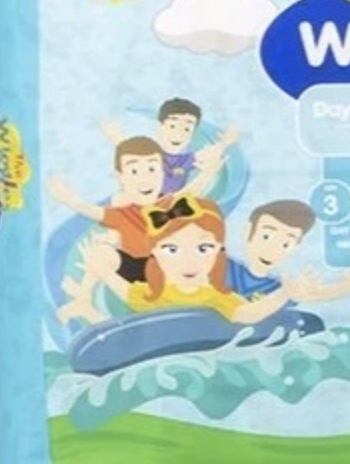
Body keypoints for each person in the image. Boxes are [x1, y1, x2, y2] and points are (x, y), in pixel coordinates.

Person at [48, 135, 224, 323]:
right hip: (134, 268)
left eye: (151, 169)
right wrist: (68, 199)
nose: (144, 179)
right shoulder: (122, 213)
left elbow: (192, 190)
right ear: (121, 177)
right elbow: (92, 211)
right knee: (99, 253)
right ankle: (83, 298)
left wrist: (209, 172)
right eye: (134, 171)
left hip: (164, 267)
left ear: (162, 173)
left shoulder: (169, 204)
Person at [76, 197, 292, 325]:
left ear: (218, 252)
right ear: (155, 254)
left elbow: (247, 314)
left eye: (203, 248)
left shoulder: (219, 298)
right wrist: (103, 270)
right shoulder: (151, 294)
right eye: (172, 249)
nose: (188, 260)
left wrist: (284, 293)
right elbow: (126, 293)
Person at [228, 199, 350, 303]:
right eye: (266, 236)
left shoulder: (274, 286)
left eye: (285, 244)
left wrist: (349, 286)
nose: (273, 250)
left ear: (295, 247)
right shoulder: (226, 267)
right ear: (248, 230)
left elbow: (310, 294)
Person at [102, 97, 239, 198]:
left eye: (187, 129)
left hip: (170, 206)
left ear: (192, 134)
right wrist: (114, 136)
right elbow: (128, 150)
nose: (178, 133)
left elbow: (209, 155)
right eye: (172, 126)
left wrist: (225, 142)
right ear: (160, 125)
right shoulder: (149, 153)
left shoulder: (186, 159)